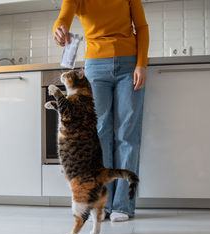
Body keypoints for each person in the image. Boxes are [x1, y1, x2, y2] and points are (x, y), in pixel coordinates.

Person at [53, 0, 149, 222]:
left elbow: (142, 27)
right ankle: (102, 203)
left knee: (127, 134)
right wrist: (59, 30)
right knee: (99, 135)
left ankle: (123, 205)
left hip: (129, 65)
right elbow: (64, 17)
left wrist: (141, 63)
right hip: (95, 67)